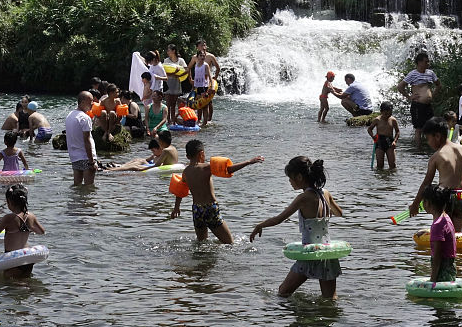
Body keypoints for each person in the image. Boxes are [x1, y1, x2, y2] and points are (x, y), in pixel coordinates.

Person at [249, 156, 344, 298]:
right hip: (327, 253)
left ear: (299, 177)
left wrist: (260, 225)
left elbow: (279, 219)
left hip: (310, 254)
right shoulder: (325, 193)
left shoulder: (303, 198)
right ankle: (327, 318)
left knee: (283, 292)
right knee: (330, 298)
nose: (289, 181)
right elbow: (339, 213)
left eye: (290, 178)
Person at [408, 117, 462, 231]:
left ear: (437, 136)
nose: (428, 143)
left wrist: (415, 204)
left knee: (441, 232)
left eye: (428, 139)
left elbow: (426, 183)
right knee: (456, 234)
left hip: (445, 196)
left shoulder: (436, 157)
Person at [170, 140, 264, 241]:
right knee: (229, 242)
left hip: (197, 210)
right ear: (201, 154)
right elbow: (228, 169)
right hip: (210, 208)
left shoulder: (185, 172)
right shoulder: (206, 168)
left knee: (202, 243)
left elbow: (180, 191)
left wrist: (176, 208)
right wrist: (249, 162)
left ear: (187, 156)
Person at [398, 52, 443, 149]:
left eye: (428, 62)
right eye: (426, 62)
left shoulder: (430, 73)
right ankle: (418, 149)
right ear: (419, 62)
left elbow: (439, 85)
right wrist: (409, 96)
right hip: (418, 105)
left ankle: (432, 147)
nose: (428, 64)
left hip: (428, 105)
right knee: (418, 128)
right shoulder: (413, 74)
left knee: (432, 127)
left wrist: (432, 96)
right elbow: (400, 86)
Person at [422, 184, 457, 284]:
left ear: (428, 203)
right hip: (450, 266)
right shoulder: (446, 218)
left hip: (443, 267)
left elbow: (438, 255)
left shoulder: (437, 225)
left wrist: (432, 279)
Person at [65, 91, 97, 185]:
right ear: (82, 102)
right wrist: (91, 161)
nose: (93, 103)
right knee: (89, 188)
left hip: (74, 157)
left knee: (77, 186)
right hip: (86, 157)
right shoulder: (85, 118)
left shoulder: (70, 115)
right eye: (90, 101)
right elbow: (87, 140)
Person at [367, 102, 400, 169]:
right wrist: (373, 136)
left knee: (392, 165)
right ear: (381, 112)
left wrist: (395, 141)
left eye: (390, 113)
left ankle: (392, 178)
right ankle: (380, 178)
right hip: (379, 142)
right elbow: (369, 129)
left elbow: (397, 131)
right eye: (385, 113)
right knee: (380, 165)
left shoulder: (393, 120)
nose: (387, 115)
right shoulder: (377, 120)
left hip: (389, 142)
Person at [194, 39, 221, 123]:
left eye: (205, 45)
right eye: (202, 45)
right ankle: (199, 120)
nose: (204, 47)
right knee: (199, 102)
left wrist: (214, 79)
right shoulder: (195, 60)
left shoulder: (209, 58)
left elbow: (217, 68)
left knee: (208, 103)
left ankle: (208, 120)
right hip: (198, 84)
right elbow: (190, 69)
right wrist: (191, 80)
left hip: (207, 83)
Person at [163, 45, 186, 124]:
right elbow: (164, 71)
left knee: (173, 104)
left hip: (176, 82)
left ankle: (173, 120)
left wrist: (178, 75)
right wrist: (174, 73)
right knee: (168, 103)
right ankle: (167, 120)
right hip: (168, 83)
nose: (167, 52)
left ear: (173, 51)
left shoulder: (180, 60)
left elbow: (186, 70)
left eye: (169, 50)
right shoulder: (166, 60)